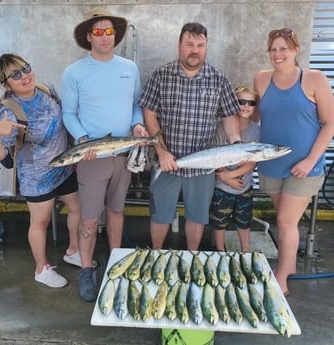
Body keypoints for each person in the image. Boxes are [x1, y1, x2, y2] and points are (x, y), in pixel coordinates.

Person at [61, 7, 147, 302]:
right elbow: (69, 113)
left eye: (109, 31)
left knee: (117, 210)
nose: (105, 36)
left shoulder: (129, 67)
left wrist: (137, 124)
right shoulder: (74, 72)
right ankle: (87, 269)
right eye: (98, 31)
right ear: (89, 37)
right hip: (91, 158)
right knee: (89, 217)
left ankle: (115, 262)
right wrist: (83, 140)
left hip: (124, 153)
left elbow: (137, 104)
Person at [139, 22, 242, 251]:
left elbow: (229, 117)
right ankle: (157, 255)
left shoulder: (218, 79)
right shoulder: (161, 75)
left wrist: (236, 142)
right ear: (179, 46)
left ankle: (192, 257)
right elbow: (150, 113)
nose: (194, 50)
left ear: (206, 47)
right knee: (160, 214)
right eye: (189, 44)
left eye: (200, 45)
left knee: (197, 216)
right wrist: (161, 151)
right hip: (166, 163)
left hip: (203, 166)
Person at [0, 53, 82, 288]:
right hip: (36, 176)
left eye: (26, 68)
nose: (25, 76)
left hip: (63, 165)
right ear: (5, 83)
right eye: (16, 74)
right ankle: (42, 269)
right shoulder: (8, 111)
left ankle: (73, 250)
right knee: (39, 223)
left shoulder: (46, 89)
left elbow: (64, 121)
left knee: (77, 209)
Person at [253, 28, 334, 296]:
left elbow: (330, 123)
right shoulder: (262, 79)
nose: (278, 54)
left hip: (304, 166)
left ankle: (281, 280)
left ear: (296, 50)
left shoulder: (314, 79)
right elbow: (253, 117)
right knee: (285, 219)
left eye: (284, 49)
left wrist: (311, 160)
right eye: (273, 49)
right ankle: (290, 266)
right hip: (272, 162)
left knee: (286, 222)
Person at [209, 86, 260, 253]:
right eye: (241, 101)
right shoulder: (220, 126)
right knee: (218, 221)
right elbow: (212, 154)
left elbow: (253, 162)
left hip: (244, 187)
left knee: (244, 221)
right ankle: (220, 251)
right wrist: (225, 178)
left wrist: (231, 175)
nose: (246, 106)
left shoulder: (256, 130)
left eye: (251, 103)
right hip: (221, 186)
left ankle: (246, 250)